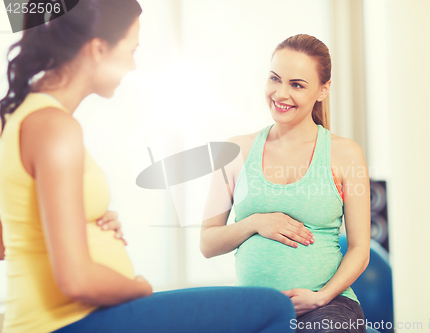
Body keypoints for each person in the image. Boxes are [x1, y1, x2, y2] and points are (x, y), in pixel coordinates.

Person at [0, 1, 295, 332]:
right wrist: (139, 287)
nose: (132, 65)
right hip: (65, 321)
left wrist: (84, 224)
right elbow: (76, 279)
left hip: (74, 317)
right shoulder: (54, 127)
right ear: (98, 49)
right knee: (273, 308)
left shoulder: (26, 117)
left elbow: (11, 234)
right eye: (131, 50)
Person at [201, 34, 372, 333]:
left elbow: (360, 248)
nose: (281, 94)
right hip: (257, 309)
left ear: (323, 90)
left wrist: (321, 298)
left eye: (296, 85)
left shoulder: (345, 154)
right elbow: (207, 243)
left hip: (329, 306)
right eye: (275, 79)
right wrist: (255, 222)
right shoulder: (235, 152)